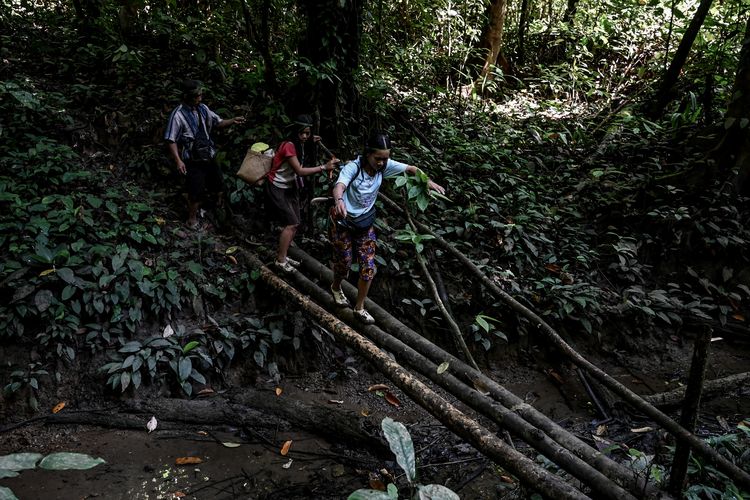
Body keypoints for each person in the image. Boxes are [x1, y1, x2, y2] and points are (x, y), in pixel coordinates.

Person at [329, 131, 446, 324]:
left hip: (364, 223)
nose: (382, 162)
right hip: (344, 222)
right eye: (378, 158)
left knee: (368, 267)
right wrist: (339, 200)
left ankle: (359, 307)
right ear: (368, 154)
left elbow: (411, 168)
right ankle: (335, 286)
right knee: (344, 264)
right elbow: (339, 185)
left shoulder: (385, 167)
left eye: (386, 158)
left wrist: (428, 181)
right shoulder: (353, 167)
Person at [164, 79, 245, 229]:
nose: (200, 98)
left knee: (218, 183)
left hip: (208, 153)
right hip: (193, 158)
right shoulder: (178, 115)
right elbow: (171, 139)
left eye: (200, 95)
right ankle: (192, 220)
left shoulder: (203, 109)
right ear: (187, 97)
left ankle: (215, 211)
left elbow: (218, 122)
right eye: (196, 96)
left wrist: (233, 121)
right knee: (195, 189)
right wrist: (178, 160)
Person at [266, 115, 339, 273]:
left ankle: (284, 255)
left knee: (296, 222)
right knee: (291, 223)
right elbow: (299, 170)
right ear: (295, 132)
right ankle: (280, 260)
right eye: (302, 133)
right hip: (278, 186)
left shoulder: (299, 143)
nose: (305, 136)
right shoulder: (289, 146)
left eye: (308, 133)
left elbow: (305, 144)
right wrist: (324, 167)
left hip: (289, 187)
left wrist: (311, 139)